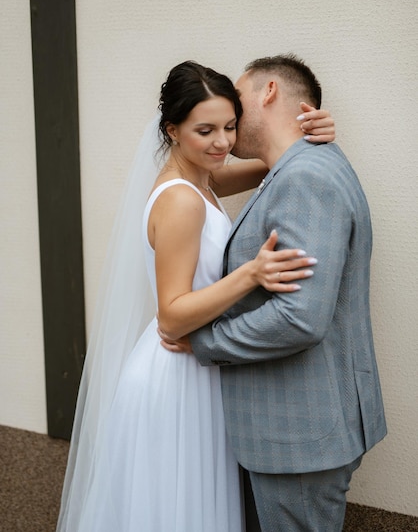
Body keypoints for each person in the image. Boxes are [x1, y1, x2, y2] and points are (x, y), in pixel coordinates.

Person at [56, 60, 335, 532]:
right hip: (175, 374)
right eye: (205, 130)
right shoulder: (182, 200)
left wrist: (312, 132)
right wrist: (251, 274)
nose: (223, 142)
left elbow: (270, 161)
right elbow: (171, 316)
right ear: (172, 129)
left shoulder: (199, 179)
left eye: (230, 126)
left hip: (197, 366)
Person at [161, 54, 387, 532]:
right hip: (289, 427)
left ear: (267, 92)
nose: (229, 125)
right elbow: (211, 176)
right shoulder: (300, 164)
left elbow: (298, 317)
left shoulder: (305, 176)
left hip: (298, 434)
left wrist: (203, 342)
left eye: (236, 104)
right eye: (209, 127)